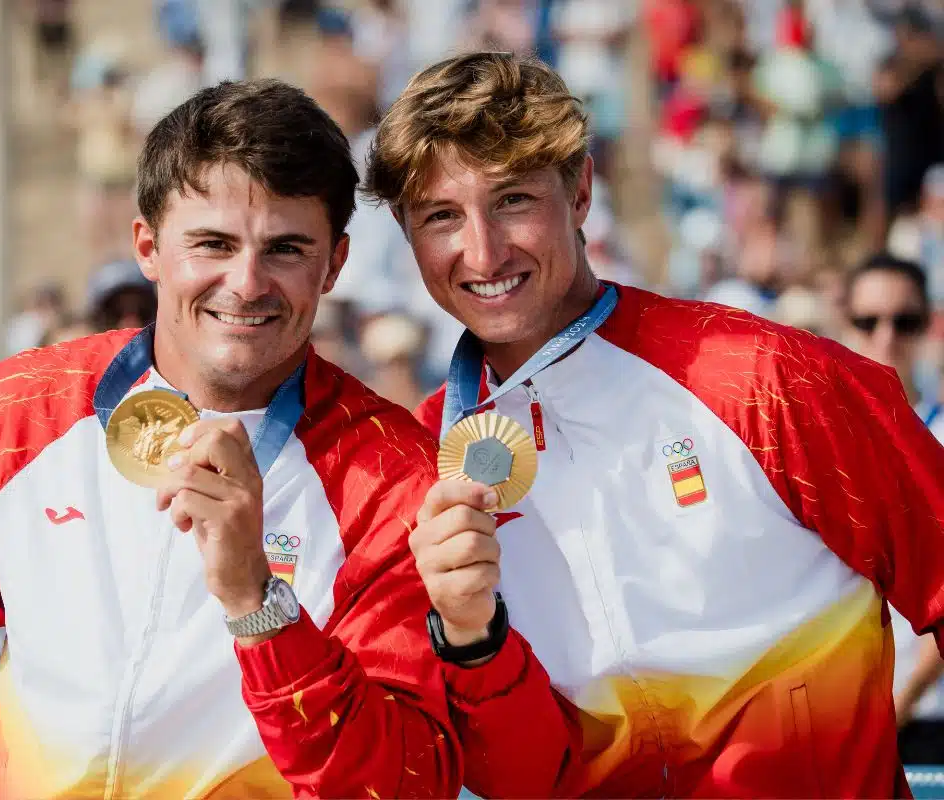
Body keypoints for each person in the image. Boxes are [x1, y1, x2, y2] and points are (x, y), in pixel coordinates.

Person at [0, 78, 462, 799]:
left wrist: (258, 605)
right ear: (147, 246)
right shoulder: (16, 418)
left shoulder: (391, 480)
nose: (247, 282)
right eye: (213, 244)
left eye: (285, 249)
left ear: (336, 264)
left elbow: (405, 780)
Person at [364, 51, 944, 797]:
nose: (482, 251)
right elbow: (527, 777)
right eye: (441, 215)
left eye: (511, 200)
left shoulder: (763, 378)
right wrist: (471, 641)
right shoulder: (425, 465)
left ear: (580, 191)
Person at [841, 253, 944, 763]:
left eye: (904, 321)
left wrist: (898, 706)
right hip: (840, 725)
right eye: (868, 321)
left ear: (929, 325)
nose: (886, 337)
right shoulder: (820, 439)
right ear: (845, 324)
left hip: (924, 725)